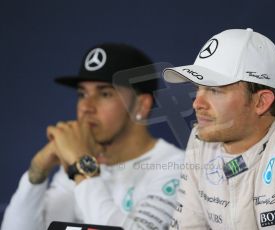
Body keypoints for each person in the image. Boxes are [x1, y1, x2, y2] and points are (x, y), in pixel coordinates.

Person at [163, 28, 275, 229]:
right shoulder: (200, 139)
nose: (197, 104)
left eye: (214, 90)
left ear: (261, 102)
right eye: (198, 88)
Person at [1, 43, 183, 230]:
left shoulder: (176, 167)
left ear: (141, 105)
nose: (86, 106)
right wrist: (38, 170)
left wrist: (81, 166)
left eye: (104, 93)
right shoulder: (77, 162)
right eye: (82, 94)